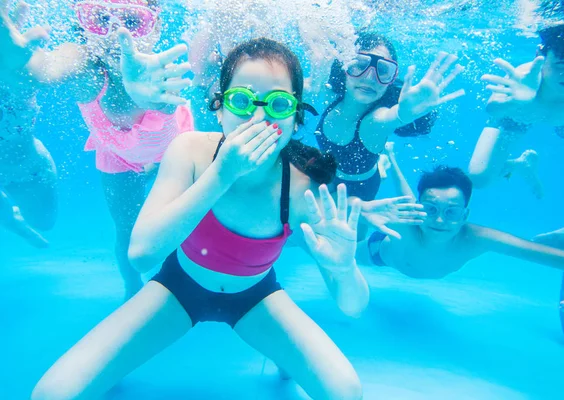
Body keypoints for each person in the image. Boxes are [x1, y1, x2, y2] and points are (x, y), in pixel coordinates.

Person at [31, 37, 369, 400]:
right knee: (51, 394)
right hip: (179, 288)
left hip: (255, 296)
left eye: (279, 104)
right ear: (219, 109)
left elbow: (352, 307)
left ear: (296, 117)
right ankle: (281, 356)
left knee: (346, 393)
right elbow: (142, 254)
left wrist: (343, 268)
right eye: (241, 100)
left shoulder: (303, 186)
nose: (258, 117)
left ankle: (280, 352)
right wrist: (222, 175)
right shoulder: (190, 150)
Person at [0, 0, 194, 298]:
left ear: (153, 29)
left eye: (132, 22)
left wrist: (155, 99)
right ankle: (132, 287)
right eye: (100, 18)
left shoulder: (159, 70)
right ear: (83, 26)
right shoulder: (82, 64)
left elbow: (165, 102)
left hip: (173, 152)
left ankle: (183, 283)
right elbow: (46, 70)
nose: (116, 34)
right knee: (127, 232)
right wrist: (17, 66)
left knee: (181, 225)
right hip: (117, 155)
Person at [357, 143, 564, 352]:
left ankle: (394, 161)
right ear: (422, 210)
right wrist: (362, 208)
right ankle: (392, 161)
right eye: (430, 209)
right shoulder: (407, 221)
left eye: (451, 212)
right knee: (346, 249)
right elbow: (393, 202)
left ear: (465, 215)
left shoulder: (477, 238)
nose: (440, 220)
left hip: (407, 243)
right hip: (378, 252)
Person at [309, 31, 465, 202]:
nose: (369, 78)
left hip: (361, 188)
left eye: (382, 70)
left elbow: (389, 118)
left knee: (355, 227)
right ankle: (382, 159)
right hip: (328, 173)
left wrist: (403, 114)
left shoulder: (373, 123)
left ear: (391, 79)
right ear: (345, 67)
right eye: (360, 65)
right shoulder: (330, 96)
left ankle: (381, 161)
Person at [468, 15, 564, 198]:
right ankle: (521, 165)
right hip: (521, 112)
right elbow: (492, 109)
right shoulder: (524, 78)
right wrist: (517, 103)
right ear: (541, 55)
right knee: (479, 179)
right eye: (562, 63)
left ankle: (521, 164)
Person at [0, 2, 56, 248]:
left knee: (44, 222)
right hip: (21, 167)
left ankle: (11, 218)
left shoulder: (18, 81)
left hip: (28, 169)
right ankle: (9, 219)